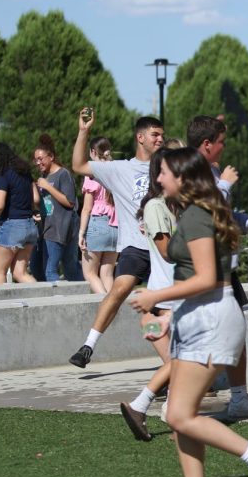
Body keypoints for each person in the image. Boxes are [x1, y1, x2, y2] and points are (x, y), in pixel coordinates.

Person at [126, 147, 248, 477]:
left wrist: (155, 297)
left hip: (211, 318)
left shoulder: (196, 216)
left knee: (179, 414)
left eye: (163, 172)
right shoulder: (197, 212)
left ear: (182, 176)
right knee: (182, 414)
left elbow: (206, 277)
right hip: (198, 315)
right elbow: (198, 278)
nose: (158, 179)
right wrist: (170, 318)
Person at [188, 115, 248, 421]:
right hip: (206, 267)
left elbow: (224, 216)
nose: (225, 148)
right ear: (207, 144)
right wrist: (224, 184)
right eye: (221, 142)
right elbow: (205, 211)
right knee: (206, 334)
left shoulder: (212, 171)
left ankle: (237, 397)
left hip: (224, 266)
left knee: (232, 330)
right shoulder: (190, 170)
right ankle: (160, 398)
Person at [68, 111, 165, 368]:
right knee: (120, 289)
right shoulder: (119, 168)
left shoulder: (168, 167)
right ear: (140, 137)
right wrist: (83, 131)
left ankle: (172, 366)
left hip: (165, 248)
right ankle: (88, 346)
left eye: (162, 136)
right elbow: (78, 166)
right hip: (136, 247)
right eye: (155, 135)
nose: (160, 140)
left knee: (158, 312)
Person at [119, 147, 179, 442]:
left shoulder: (172, 205)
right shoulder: (157, 207)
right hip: (161, 303)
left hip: (165, 300)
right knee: (178, 364)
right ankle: (142, 407)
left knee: (180, 365)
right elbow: (167, 252)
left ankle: (167, 413)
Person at [0, 143, 39, 285]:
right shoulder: (25, 172)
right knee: (20, 273)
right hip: (30, 227)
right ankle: (42, 300)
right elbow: (36, 198)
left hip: (12, 227)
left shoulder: (3, 175)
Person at [31, 134, 80, 283]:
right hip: (50, 227)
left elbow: (69, 202)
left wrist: (47, 187)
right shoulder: (45, 176)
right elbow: (48, 203)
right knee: (69, 269)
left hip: (61, 228)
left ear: (51, 156)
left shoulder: (62, 174)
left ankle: (59, 302)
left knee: (51, 270)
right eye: (36, 160)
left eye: (41, 159)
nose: (38, 163)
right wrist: (41, 213)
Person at [78, 136, 119, 293]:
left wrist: (81, 233)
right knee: (107, 274)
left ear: (93, 152)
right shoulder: (115, 170)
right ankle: (115, 311)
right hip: (116, 226)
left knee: (89, 273)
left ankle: (105, 308)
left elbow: (87, 208)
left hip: (98, 223)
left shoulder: (92, 172)